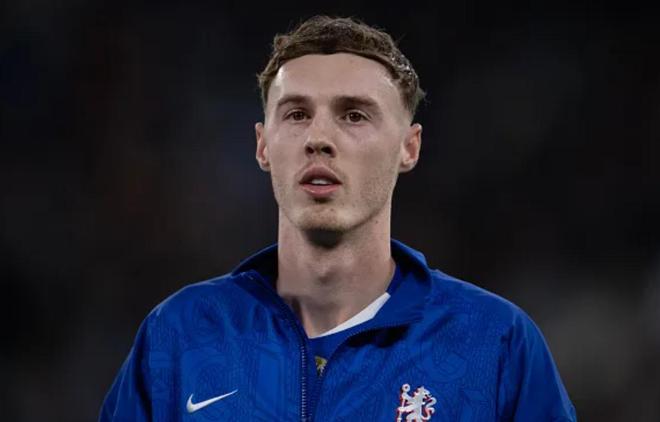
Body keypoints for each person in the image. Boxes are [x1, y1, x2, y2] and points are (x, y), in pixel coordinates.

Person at [100, 15, 577, 421]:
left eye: (354, 115)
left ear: (409, 147)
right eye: (296, 114)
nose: (319, 139)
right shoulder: (181, 335)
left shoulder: (494, 344)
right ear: (263, 145)